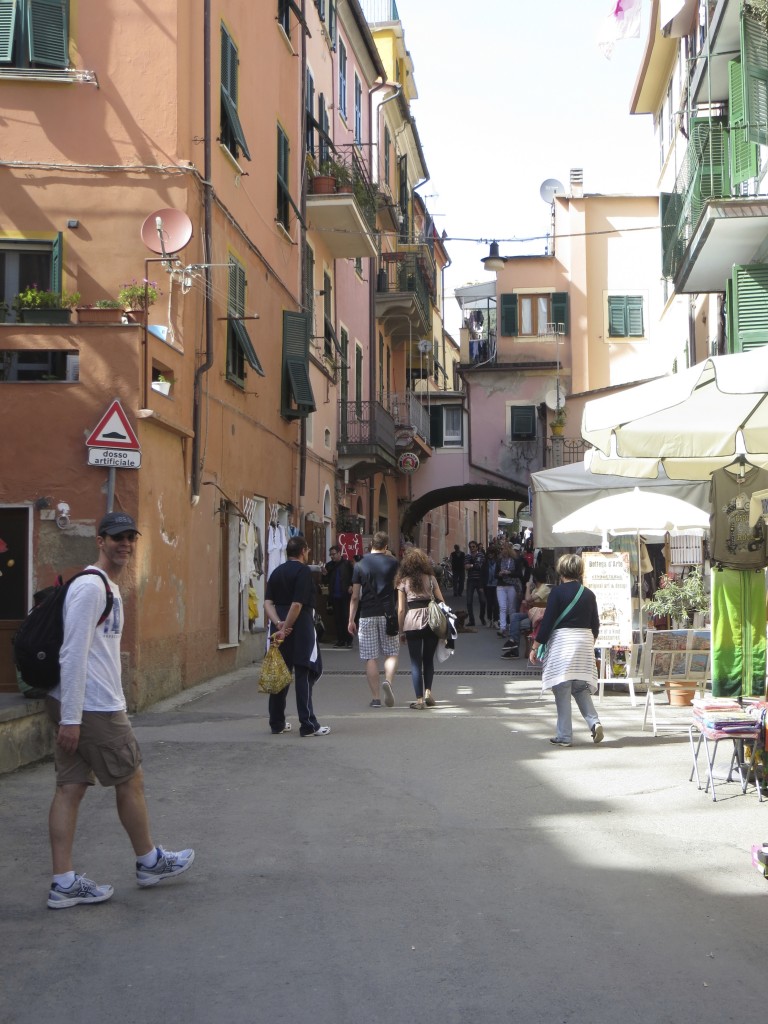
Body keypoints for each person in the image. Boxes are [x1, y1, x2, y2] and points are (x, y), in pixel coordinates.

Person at [45, 511, 194, 910]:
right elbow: (72, 653)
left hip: (82, 703)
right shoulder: (92, 588)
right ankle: (149, 861)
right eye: (116, 537)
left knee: (70, 788)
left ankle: (63, 882)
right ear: (100, 541)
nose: (124, 544)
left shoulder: (105, 586)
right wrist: (73, 718)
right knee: (131, 778)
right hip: (92, 706)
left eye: (130, 537)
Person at [530, 553, 603, 747]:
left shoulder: (558, 593)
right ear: (579, 571)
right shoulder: (588, 594)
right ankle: (594, 723)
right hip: (584, 642)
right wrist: (589, 643)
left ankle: (564, 735)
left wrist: (535, 646)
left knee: (562, 688)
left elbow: (547, 622)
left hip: (563, 643)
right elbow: (595, 624)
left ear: (561, 570)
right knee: (579, 687)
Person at [264, 535, 330, 737]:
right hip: (300, 627)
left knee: (280, 674)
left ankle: (277, 723)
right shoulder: (302, 572)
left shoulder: (276, 572)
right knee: (304, 672)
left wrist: (278, 624)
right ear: (303, 551)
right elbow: (297, 604)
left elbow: (267, 603)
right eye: (307, 550)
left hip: (279, 626)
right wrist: (287, 627)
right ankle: (308, 724)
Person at [348, 531, 400, 708]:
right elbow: (398, 587)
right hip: (388, 614)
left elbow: (355, 596)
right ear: (386, 546)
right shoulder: (393, 562)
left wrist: (351, 619)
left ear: (371, 545)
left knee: (370, 657)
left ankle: (376, 698)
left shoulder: (360, 564)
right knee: (391, 652)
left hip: (367, 615)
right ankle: (388, 683)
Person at [395, 547, 446, 709]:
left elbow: (401, 609)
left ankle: (418, 701)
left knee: (415, 662)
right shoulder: (431, 578)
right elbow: (442, 602)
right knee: (428, 660)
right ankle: (428, 691)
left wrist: (401, 630)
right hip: (431, 621)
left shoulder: (403, 582)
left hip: (412, 621)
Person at [501, 567, 552, 659]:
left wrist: (528, 586)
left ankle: (514, 647)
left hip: (539, 617)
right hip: (532, 614)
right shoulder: (536, 589)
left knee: (516, 620)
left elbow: (528, 599)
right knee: (514, 616)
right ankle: (513, 643)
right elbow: (527, 599)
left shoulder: (545, 589)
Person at [322, 545, 353, 648]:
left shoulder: (347, 564)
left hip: (346, 595)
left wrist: (351, 586)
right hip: (334, 596)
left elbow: (354, 577)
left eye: (334, 554)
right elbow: (325, 581)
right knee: (338, 619)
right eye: (330, 555)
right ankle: (340, 640)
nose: (332, 557)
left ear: (340, 553)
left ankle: (349, 640)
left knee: (346, 617)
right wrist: (325, 574)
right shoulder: (329, 565)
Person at [496, 541, 529, 638]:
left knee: (511, 607)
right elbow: (495, 574)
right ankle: (502, 627)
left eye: (506, 549)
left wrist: (509, 572)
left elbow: (519, 574)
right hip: (501, 585)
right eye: (502, 549)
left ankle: (511, 627)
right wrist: (499, 574)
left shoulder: (516, 560)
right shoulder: (499, 561)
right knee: (502, 607)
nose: (504, 551)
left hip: (512, 585)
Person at [464, 541, 487, 627]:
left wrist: (471, 566)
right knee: (469, 601)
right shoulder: (467, 556)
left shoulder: (480, 555)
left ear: (477, 547)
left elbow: (480, 566)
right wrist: (473, 566)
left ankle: (482, 616)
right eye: (470, 547)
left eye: (473, 547)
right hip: (470, 580)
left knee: (483, 601)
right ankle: (471, 620)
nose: (472, 548)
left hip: (479, 580)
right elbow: (466, 566)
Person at [484, 542, 500, 629]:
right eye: (489, 553)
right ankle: (489, 619)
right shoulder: (485, 563)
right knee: (489, 604)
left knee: (496, 604)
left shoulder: (498, 562)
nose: (490, 555)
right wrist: (481, 587)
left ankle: (496, 621)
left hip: (496, 585)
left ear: (495, 554)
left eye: (492, 553)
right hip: (488, 585)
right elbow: (482, 574)